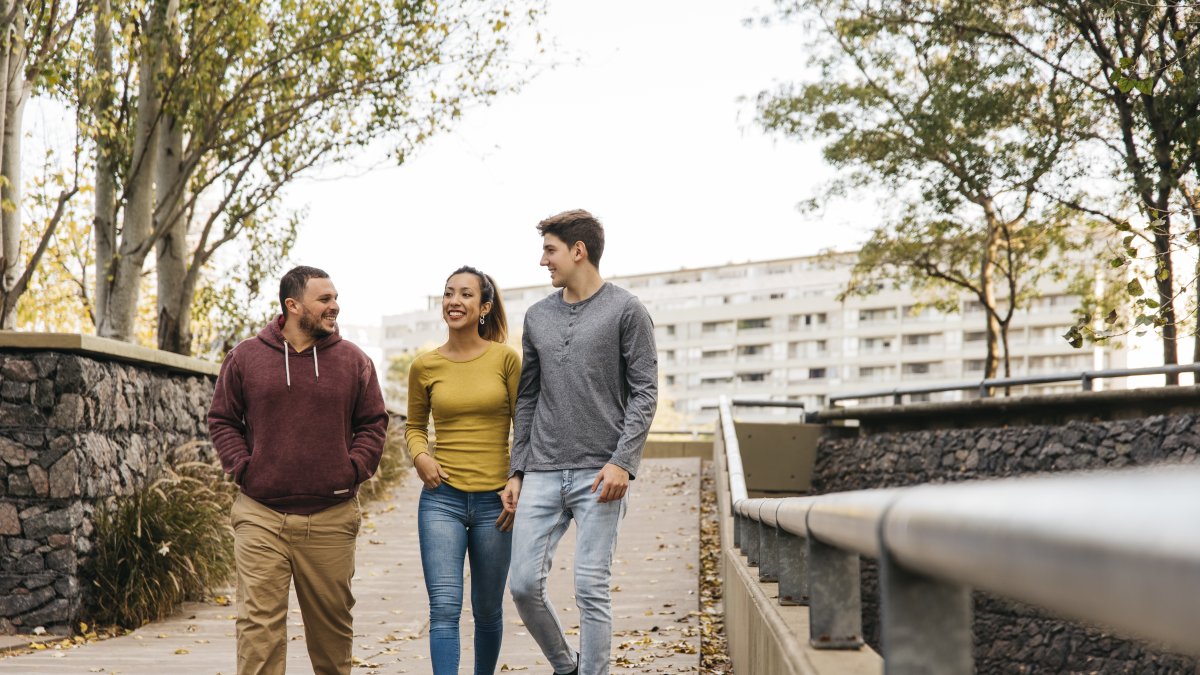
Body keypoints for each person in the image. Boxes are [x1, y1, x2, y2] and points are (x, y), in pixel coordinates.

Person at [207, 265, 388, 675]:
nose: (334, 306)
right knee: (258, 630)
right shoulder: (245, 357)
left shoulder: (353, 360)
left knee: (331, 635)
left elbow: (373, 422)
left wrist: (353, 469)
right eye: (324, 299)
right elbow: (222, 419)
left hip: (331, 517)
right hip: (261, 515)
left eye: (335, 298)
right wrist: (244, 468)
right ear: (293, 305)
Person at [503, 209, 658, 675]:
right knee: (523, 585)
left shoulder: (627, 310)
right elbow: (528, 396)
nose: (542, 261)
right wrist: (517, 469)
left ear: (578, 251)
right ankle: (566, 666)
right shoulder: (537, 316)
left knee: (591, 587)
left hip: (601, 473)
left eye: (549, 250)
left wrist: (623, 462)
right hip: (543, 470)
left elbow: (645, 391)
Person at [406, 266, 521, 675]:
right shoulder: (424, 365)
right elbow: (414, 427)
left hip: (496, 504)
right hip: (442, 501)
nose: (454, 301)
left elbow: (525, 426)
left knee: (487, 610)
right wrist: (421, 457)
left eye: (466, 294)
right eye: (449, 293)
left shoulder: (506, 359)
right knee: (444, 607)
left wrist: (517, 477)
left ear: (484, 307)